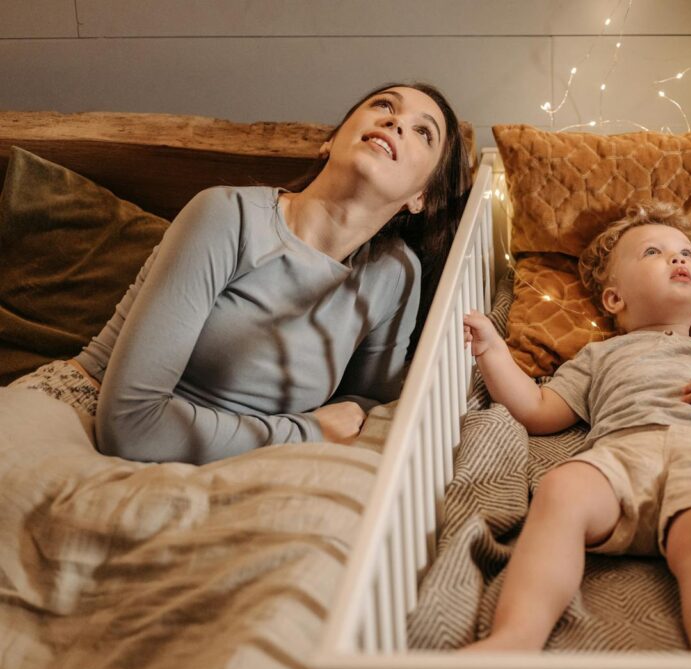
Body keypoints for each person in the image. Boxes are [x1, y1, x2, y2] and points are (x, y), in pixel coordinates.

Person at [10, 82, 468, 464]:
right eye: (383, 105)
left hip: (223, 461)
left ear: (421, 197)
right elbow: (130, 423)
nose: (396, 122)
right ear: (330, 139)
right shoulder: (229, 216)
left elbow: (363, 408)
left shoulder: (394, 274)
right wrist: (304, 432)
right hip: (80, 419)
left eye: (423, 133)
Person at [460, 201, 691, 653]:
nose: (678, 258)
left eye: (686, 254)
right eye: (654, 252)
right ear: (615, 299)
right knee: (562, 489)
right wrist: (493, 352)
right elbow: (537, 409)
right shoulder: (600, 356)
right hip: (623, 450)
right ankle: (516, 636)